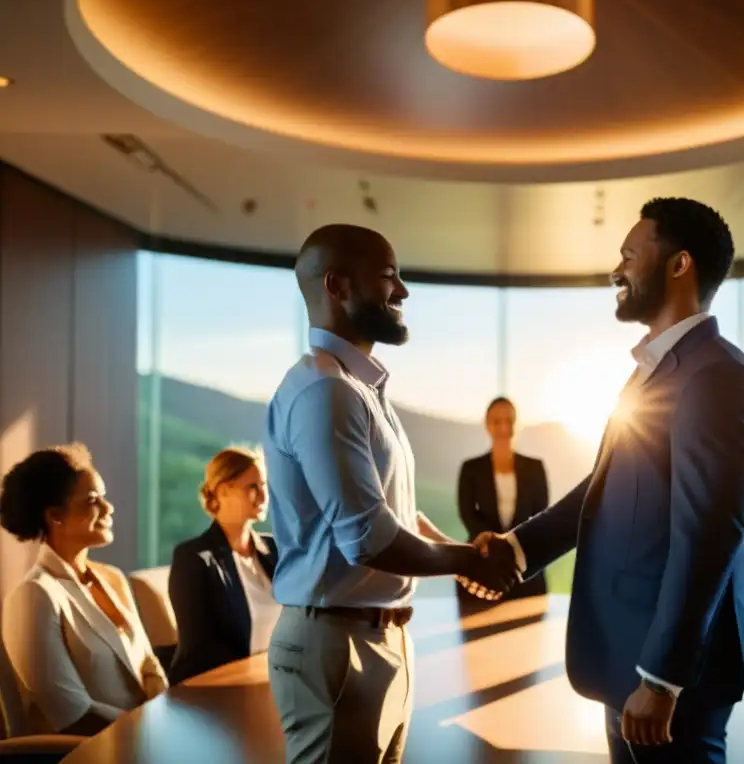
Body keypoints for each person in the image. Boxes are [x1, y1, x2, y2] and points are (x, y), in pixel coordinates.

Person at [471, 198, 744, 763]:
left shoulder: (717, 378)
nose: (617, 270)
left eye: (631, 255)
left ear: (679, 265)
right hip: (629, 659)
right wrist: (517, 549)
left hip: (670, 679)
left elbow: (707, 540)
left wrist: (662, 679)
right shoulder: (652, 373)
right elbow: (604, 487)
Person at [263, 224, 517, 764]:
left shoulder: (357, 389)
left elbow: (395, 513)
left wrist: (456, 556)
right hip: (337, 645)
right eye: (387, 277)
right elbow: (370, 540)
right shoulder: (325, 392)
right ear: (338, 286)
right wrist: (469, 558)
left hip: (374, 636)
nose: (402, 291)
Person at [0, 444, 167, 735]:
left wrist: (167, 716)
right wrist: (145, 732)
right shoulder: (33, 596)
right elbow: (71, 713)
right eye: (93, 500)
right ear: (55, 516)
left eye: (104, 496)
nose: (108, 507)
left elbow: (149, 665)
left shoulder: (112, 578)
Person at [167, 446, 280, 685]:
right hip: (215, 689)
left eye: (264, 486)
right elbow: (200, 648)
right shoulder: (193, 558)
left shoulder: (277, 550)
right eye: (253, 487)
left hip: (271, 681)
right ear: (223, 491)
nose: (263, 496)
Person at [457, 397, 549, 600]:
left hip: (525, 564)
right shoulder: (471, 469)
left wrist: (515, 547)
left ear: (518, 424)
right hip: (484, 561)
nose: (503, 426)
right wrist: (494, 548)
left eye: (509, 420)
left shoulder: (535, 468)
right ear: (487, 425)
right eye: (496, 421)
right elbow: (467, 514)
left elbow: (541, 513)